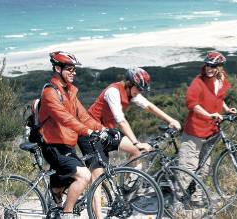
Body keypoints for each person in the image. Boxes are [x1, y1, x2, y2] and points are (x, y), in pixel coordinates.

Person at [78, 67, 181, 216]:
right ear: (129, 83)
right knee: (98, 177)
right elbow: (121, 121)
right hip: (90, 134)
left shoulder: (131, 91)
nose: (139, 92)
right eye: (138, 89)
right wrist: (136, 141)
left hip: (105, 132)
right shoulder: (113, 92)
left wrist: (171, 120)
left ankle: (127, 191)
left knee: (136, 152)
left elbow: (150, 107)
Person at [39, 51, 103, 217]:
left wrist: (102, 129)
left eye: (74, 69)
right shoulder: (50, 92)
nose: (73, 72)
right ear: (57, 69)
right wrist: (86, 131)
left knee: (74, 176)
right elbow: (64, 118)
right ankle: (66, 214)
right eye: (69, 69)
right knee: (84, 176)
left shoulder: (70, 92)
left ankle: (56, 190)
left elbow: (83, 116)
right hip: (52, 145)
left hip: (67, 145)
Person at [179, 51, 237, 205]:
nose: (209, 69)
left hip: (212, 130)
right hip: (195, 131)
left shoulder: (221, 79)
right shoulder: (198, 82)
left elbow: (219, 97)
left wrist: (226, 109)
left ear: (220, 67)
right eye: (207, 65)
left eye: (213, 66)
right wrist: (209, 114)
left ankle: (195, 198)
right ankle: (176, 203)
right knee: (188, 167)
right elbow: (192, 104)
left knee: (203, 167)